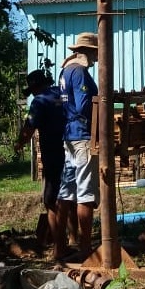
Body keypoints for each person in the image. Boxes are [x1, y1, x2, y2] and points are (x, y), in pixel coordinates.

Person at [56, 32, 100, 260]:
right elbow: (85, 105)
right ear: (88, 52)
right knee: (85, 193)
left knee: (66, 191)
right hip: (83, 136)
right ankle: (85, 249)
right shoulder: (80, 72)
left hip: (69, 136)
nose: (96, 58)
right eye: (95, 53)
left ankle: (59, 247)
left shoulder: (65, 71)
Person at [14, 69, 66, 255]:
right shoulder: (61, 94)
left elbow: (29, 129)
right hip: (71, 151)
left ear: (35, 87)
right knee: (70, 197)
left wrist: (19, 144)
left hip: (53, 154)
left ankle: (60, 247)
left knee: (51, 200)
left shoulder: (39, 101)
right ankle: (75, 239)